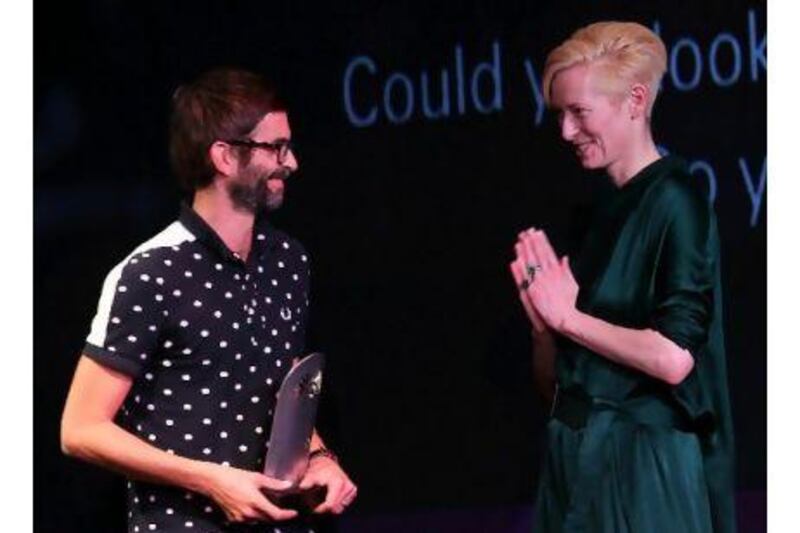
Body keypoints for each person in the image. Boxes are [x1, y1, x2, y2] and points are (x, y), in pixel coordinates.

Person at [61, 68, 357, 532]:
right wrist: (211, 480)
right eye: (276, 147)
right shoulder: (150, 271)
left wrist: (319, 457)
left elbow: (278, 397)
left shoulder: (287, 261)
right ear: (224, 156)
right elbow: (80, 430)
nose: (291, 162)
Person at [509, 22, 735, 532]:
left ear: (635, 100)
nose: (565, 132)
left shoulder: (678, 202)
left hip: (643, 477)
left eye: (579, 112)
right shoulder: (597, 213)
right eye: (560, 115)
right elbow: (558, 387)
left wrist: (567, 319)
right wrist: (544, 328)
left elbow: (674, 359)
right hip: (576, 463)